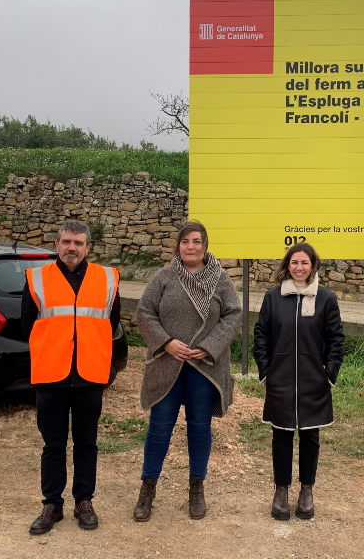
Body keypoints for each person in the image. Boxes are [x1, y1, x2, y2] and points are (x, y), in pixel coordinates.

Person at [133, 221, 241, 521]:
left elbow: (233, 315)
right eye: (185, 242)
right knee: (160, 426)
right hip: (169, 364)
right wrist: (166, 343)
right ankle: (147, 488)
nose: (190, 247)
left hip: (203, 367)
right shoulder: (164, 277)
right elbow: (144, 312)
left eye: (196, 241)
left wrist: (209, 346)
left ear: (204, 245)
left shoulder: (220, 279)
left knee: (199, 427)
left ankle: (196, 488)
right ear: (178, 245)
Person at [23, 220, 120, 534]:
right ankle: (52, 504)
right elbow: (28, 324)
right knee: (53, 444)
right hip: (51, 374)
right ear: (57, 244)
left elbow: (112, 320)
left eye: (78, 243)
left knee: (86, 443)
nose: (72, 248)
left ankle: (84, 501)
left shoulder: (107, 278)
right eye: (66, 242)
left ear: (88, 248)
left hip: (90, 374)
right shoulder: (37, 278)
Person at [253, 243, 344, 521]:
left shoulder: (326, 298)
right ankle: (281, 490)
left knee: (310, 436)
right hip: (280, 380)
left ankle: (307, 490)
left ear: (313, 266)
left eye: (305, 262)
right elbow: (261, 335)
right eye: (294, 262)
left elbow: (336, 340)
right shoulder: (273, 297)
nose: (299, 267)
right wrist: (267, 370)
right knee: (281, 435)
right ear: (287, 265)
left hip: (313, 382)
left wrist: (328, 374)